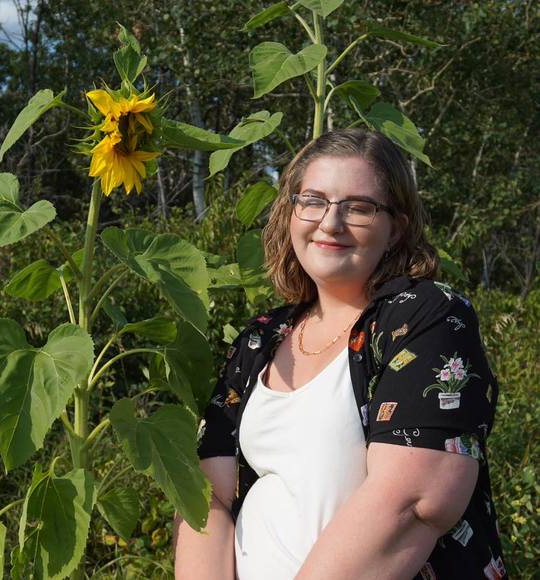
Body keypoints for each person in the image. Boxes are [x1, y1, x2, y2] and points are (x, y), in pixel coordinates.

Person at [173, 128, 507, 580]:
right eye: (313, 201)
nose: (330, 223)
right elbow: (205, 495)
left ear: (395, 229)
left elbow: (415, 500)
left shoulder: (426, 317)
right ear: (291, 213)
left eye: (359, 207)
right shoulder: (260, 339)